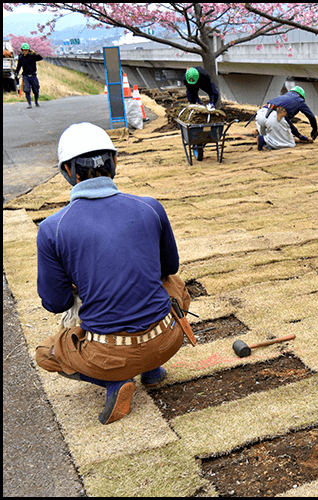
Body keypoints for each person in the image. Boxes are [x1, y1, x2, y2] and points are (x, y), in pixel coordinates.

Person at [35, 122, 192, 425]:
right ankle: (152, 370)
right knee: (175, 284)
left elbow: (55, 303)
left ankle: (115, 382)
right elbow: (168, 269)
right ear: (114, 162)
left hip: (108, 355)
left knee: (45, 353)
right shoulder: (150, 207)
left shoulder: (52, 228)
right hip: (167, 340)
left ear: (67, 171)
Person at [255, 86, 318, 151]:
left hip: (260, 114)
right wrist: (315, 130)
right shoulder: (299, 100)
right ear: (300, 95)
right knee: (290, 144)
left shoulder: (282, 97)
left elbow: (287, 122)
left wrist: (299, 136)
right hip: (274, 117)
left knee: (273, 132)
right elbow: (311, 117)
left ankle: (263, 144)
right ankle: (263, 140)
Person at [15, 43, 43, 109]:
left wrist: (35, 53)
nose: (25, 51)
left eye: (27, 50)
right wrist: (16, 74)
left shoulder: (32, 56)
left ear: (28, 50)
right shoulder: (21, 57)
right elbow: (18, 66)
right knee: (26, 90)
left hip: (33, 75)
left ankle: (36, 101)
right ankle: (29, 104)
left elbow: (40, 58)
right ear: (22, 50)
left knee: (36, 90)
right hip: (25, 76)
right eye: (24, 50)